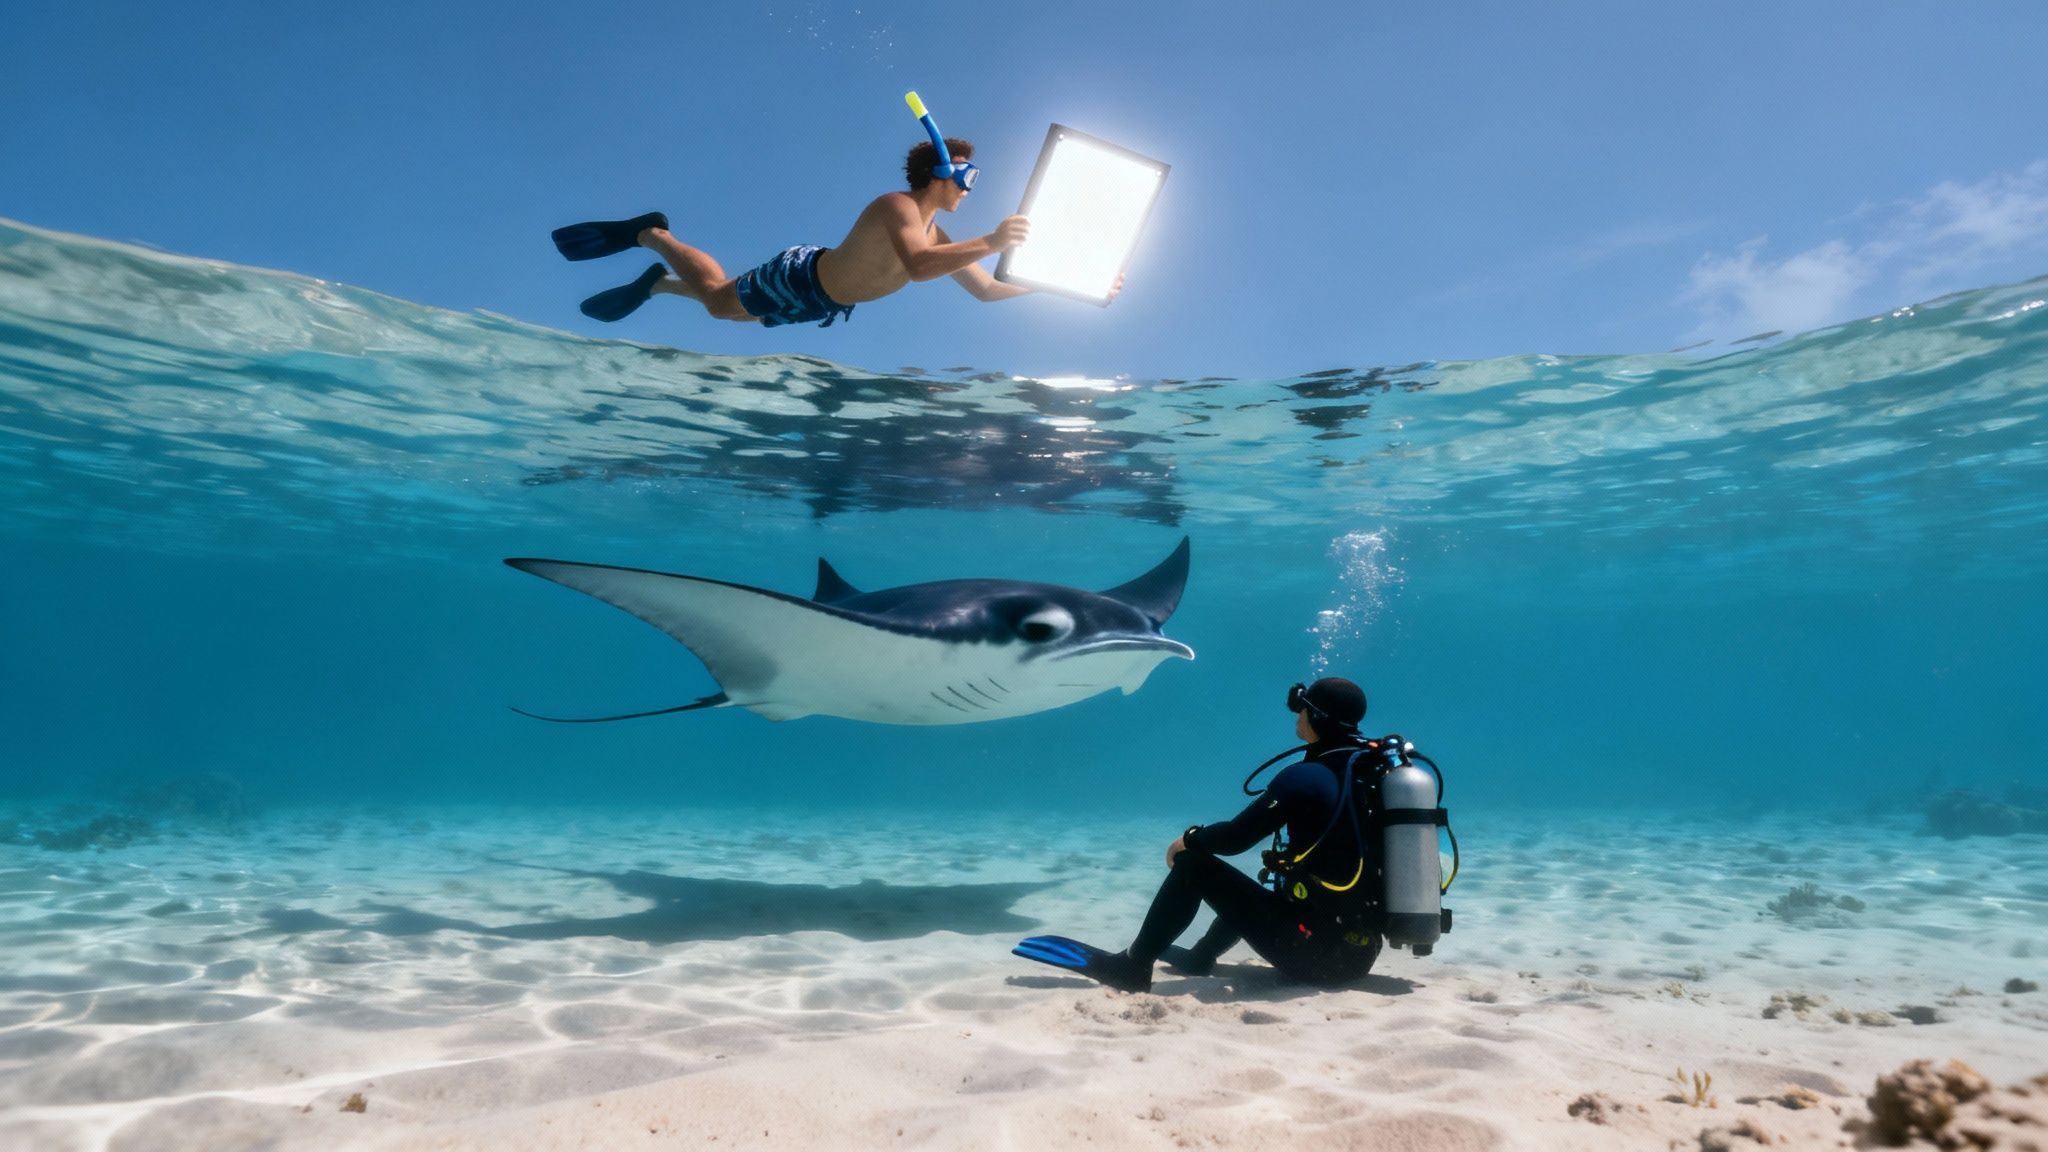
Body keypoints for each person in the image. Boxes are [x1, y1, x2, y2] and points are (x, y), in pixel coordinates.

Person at [1013, 677, 1386, 993]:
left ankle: (1130, 967)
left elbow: (1235, 839)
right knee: (1281, 882)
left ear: (1315, 716)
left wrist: (1190, 839)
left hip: (1314, 957)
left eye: (1300, 707)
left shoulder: (1307, 776)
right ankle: (1202, 956)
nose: (1296, 713)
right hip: (1359, 954)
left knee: (1194, 865)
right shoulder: (1373, 774)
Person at [549, 135, 1068, 327]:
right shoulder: (897, 207)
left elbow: (986, 290)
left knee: (735, 314)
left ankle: (658, 284)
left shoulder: (938, 237)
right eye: (968, 176)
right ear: (941, 174)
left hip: (824, 302)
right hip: (802, 277)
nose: (971, 189)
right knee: (716, 302)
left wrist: (1067, 286)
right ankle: (653, 235)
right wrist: (995, 241)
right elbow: (916, 266)